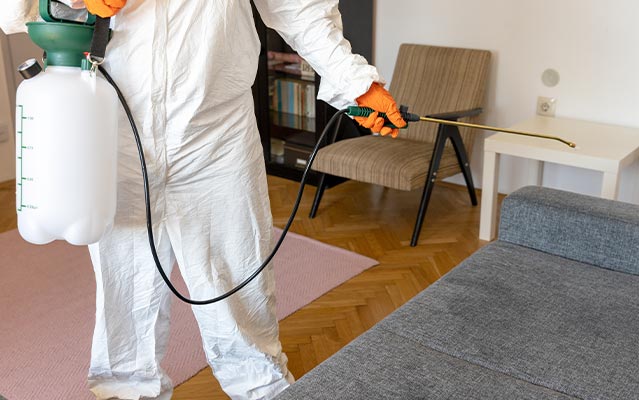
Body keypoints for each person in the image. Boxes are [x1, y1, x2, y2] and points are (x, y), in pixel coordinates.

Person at [1, 0, 406, 399]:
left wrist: (357, 83)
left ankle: (261, 390)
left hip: (216, 135)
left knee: (238, 280)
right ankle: (125, 389)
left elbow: (298, 8)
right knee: (125, 285)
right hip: (115, 132)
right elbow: (11, 12)